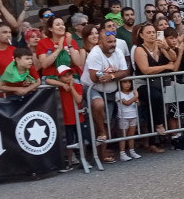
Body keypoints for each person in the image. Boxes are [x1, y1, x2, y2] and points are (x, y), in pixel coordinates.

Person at [132, 22, 183, 153]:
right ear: (142, 35)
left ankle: (176, 135)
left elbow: (174, 57)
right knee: (155, 97)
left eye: (153, 32)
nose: (152, 35)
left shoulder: (159, 46)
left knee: (175, 93)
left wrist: (166, 47)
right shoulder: (139, 49)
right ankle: (158, 128)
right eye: (148, 33)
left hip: (159, 82)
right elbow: (145, 70)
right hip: (143, 83)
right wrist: (165, 67)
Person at [84, 29, 129, 163]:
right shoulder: (94, 54)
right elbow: (93, 77)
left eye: (114, 41)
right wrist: (103, 77)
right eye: (109, 42)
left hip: (109, 90)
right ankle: (100, 137)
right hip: (92, 87)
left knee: (107, 123)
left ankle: (102, 154)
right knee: (98, 104)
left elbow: (125, 71)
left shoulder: (118, 52)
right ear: (100, 42)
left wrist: (111, 76)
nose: (113, 44)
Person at [45, 65, 84, 170]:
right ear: (59, 78)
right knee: (69, 141)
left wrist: (71, 88)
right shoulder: (59, 87)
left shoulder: (77, 86)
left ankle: (83, 159)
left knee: (81, 139)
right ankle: (69, 162)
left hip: (78, 118)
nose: (68, 78)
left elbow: (79, 100)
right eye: (64, 76)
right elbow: (48, 80)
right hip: (66, 120)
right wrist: (62, 84)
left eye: (70, 75)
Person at [37, 15, 85, 80]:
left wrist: (70, 45)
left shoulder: (71, 40)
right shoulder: (42, 42)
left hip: (70, 77)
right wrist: (58, 49)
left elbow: (77, 62)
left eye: (63, 24)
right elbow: (44, 64)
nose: (61, 27)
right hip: (51, 78)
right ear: (50, 28)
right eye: (58, 25)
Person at [115, 78, 141, 161]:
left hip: (133, 115)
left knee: (131, 135)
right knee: (123, 135)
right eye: (125, 82)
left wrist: (136, 99)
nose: (127, 84)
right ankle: (122, 153)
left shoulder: (132, 93)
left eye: (129, 82)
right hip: (124, 117)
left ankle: (132, 151)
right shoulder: (118, 94)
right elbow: (127, 103)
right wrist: (136, 96)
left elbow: (138, 103)